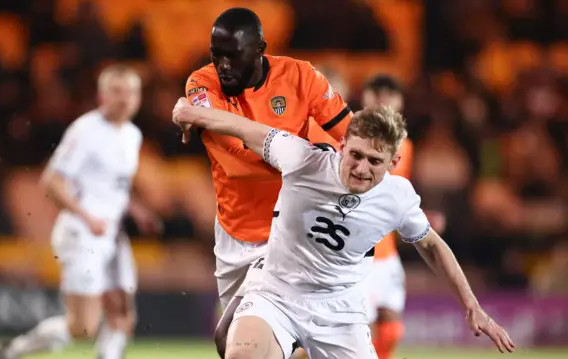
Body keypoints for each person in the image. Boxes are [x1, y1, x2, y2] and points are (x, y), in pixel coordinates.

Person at [173, 98, 515, 359]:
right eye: (355, 155)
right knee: (242, 355)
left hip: (340, 311)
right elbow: (245, 127)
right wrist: (192, 112)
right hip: (276, 292)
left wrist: (472, 305)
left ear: (394, 163)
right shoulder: (301, 159)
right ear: (341, 146)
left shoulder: (398, 197)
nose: (361, 168)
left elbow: (432, 246)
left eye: (375, 161)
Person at [182, 7, 352, 356]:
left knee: (236, 341)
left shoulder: (301, 77)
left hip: (289, 231)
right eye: (217, 56)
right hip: (234, 234)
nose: (224, 66)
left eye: (233, 56)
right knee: (237, 344)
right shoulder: (202, 85)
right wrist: (313, 162)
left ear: (260, 49)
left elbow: (349, 134)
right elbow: (235, 163)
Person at [0, 64, 160, 359]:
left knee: (122, 315)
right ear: (101, 96)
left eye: (131, 92)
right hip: (83, 233)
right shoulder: (86, 130)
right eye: (117, 91)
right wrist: (87, 217)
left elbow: (111, 185)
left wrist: (136, 210)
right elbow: (52, 181)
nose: (125, 99)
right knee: (83, 327)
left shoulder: (131, 135)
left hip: (111, 234)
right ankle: (14, 349)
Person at [309, 74, 445, 359]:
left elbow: (395, 195)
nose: (383, 102)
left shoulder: (404, 147)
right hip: (357, 253)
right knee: (361, 332)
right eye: (376, 95)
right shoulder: (346, 138)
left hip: (387, 252)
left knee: (391, 329)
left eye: (390, 96)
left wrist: (419, 216)